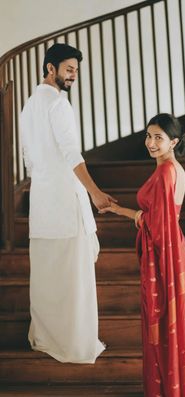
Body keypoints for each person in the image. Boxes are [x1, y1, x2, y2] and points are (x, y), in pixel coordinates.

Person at [99, 114, 185, 397]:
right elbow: (155, 222)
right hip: (175, 251)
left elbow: (155, 226)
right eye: (148, 136)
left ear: (174, 142)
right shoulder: (171, 170)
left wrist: (116, 209)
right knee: (180, 329)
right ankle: (183, 396)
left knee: (177, 329)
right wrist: (115, 208)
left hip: (170, 256)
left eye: (159, 137)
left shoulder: (168, 171)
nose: (151, 143)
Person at [20, 43, 116, 363]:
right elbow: (72, 155)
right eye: (69, 70)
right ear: (51, 68)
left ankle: (46, 337)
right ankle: (75, 342)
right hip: (64, 199)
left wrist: (43, 189)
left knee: (47, 275)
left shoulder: (28, 106)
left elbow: (30, 163)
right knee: (74, 278)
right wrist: (94, 193)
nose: (74, 76)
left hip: (43, 202)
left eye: (76, 70)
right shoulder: (58, 105)